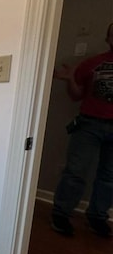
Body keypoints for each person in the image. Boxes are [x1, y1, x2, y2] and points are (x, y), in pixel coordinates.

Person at [51, 22, 113, 238]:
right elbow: (76, 95)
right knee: (75, 172)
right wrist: (69, 79)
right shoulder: (93, 63)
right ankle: (61, 213)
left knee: (109, 176)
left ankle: (97, 216)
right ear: (108, 39)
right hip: (89, 124)